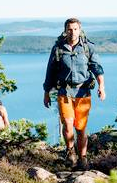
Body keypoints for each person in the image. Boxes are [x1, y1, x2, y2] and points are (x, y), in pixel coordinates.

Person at [43, 17, 106, 170]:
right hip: (65, 91)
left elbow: (96, 67)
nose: (72, 32)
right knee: (68, 124)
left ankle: (83, 158)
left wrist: (101, 86)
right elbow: (50, 71)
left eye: (75, 29)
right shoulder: (58, 48)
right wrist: (46, 92)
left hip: (83, 92)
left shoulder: (87, 47)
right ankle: (70, 153)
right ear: (65, 30)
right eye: (69, 29)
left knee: (81, 127)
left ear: (80, 30)